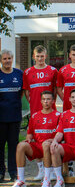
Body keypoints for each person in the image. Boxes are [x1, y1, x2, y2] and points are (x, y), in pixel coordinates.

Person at [42, 89, 75, 187]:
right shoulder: (64, 114)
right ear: (69, 99)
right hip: (68, 146)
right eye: (73, 97)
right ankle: (59, 179)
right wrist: (54, 141)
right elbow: (59, 133)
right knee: (54, 148)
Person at [22, 45, 58, 180]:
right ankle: (41, 170)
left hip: (50, 110)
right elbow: (26, 92)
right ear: (33, 57)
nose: (40, 59)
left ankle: (54, 168)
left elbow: (55, 89)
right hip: (36, 109)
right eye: (37, 56)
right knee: (37, 139)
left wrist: (52, 103)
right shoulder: (27, 72)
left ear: (46, 56)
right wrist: (33, 104)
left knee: (51, 137)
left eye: (42, 56)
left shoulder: (53, 70)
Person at [12, 91, 60, 187]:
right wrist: (28, 139)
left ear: (53, 101)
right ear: (41, 101)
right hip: (38, 146)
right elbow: (29, 134)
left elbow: (61, 135)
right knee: (21, 145)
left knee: (46, 145)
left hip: (51, 147)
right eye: (44, 99)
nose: (46, 101)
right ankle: (20, 179)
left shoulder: (58, 115)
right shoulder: (35, 116)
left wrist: (53, 140)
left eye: (48, 99)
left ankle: (47, 179)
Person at [0, 50, 23, 182]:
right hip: (1, 117)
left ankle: (13, 173)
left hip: (14, 116)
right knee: (0, 145)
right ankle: (1, 172)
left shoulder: (18, 74)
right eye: (4, 59)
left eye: (9, 58)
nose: (7, 61)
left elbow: (21, 94)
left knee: (14, 145)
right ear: (1, 60)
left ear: (12, 59)